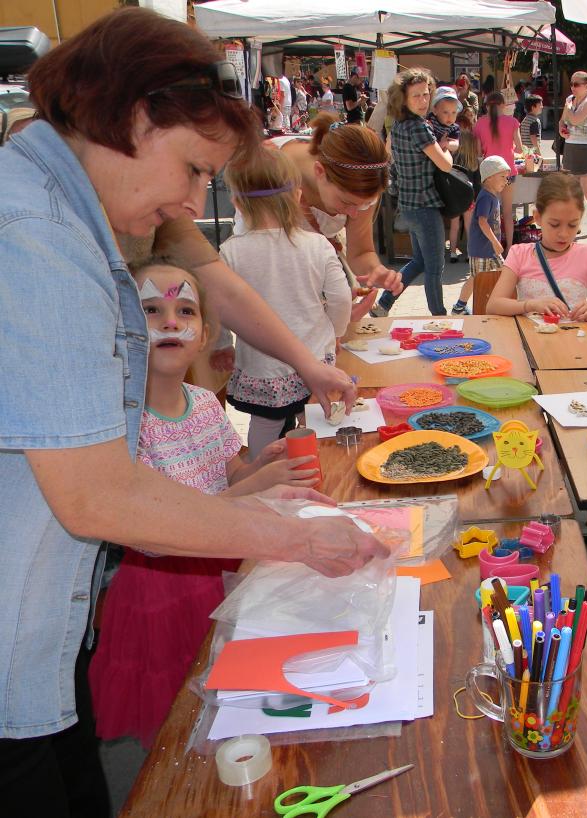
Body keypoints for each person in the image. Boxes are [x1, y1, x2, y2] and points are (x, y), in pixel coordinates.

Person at [0, 9, 387, 814]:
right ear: (134, 118)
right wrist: (299, 539)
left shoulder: (67, 200)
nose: (195, 196)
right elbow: (101, 495)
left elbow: (225, 288)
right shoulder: (35, 236)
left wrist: (310, 364)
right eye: (194, 168)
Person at [88, 259, 322, 748]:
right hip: (162, 595)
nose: (170, 321)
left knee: (228, 689)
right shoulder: (124, 427)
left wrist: (262, 466)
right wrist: (261, 486)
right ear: (120, 325)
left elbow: (230, 475)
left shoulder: (205, 403)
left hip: (221, 569)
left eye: (184, 310)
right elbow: (163, 526)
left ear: (205, 333)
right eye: (151, 309)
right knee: (178, 711)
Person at [221, 146, 352, 453]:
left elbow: (216, 308)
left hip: (261, 365)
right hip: (314, 356)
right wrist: (337, 332)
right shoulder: (317, 245)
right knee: (315, 418)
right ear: (297, 196)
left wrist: (220, 345)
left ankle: (260, 474)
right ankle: (314, 466)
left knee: (265, 424)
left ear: (237, 203)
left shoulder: (230, 252)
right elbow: (341, 298)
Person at [248, 113, 400, 315]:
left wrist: (375, 270)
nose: (354, 212)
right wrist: (328, 313)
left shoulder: (360, 180)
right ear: (320, 171)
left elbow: (360, 252)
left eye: (363, 205)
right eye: (347, 202)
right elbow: (264, 270)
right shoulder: (267, 174)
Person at [487, 172, 587, 320]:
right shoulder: (520, 254)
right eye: (555, 224)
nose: (564, 234)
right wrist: (530, 305)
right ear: (537, 217)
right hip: (532, 343)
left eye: (573, 225)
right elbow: (494, 305)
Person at [374, 68, 453, 316]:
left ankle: (384, 304)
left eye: (426, 94)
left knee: (420, 261)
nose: (423, 100)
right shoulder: (419, 127)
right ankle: (439, 315)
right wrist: (446, 149)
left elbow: (390, 159)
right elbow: (445, 164)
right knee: (435, 267)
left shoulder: (398, 125)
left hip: (407, 206)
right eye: (416, 95)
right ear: (404, 99)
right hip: (425, 206)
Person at [451, 155, 510, 316]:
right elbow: (482, 222)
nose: (506, 181)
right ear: (489, 177)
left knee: (503, 273)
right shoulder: (485, 197)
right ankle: (459, 307)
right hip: (482, 250)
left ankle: (498, 302)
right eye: (503, 177)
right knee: (475, 279)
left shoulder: (491, 196)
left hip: (489, 249)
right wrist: (495, 242)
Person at [473, 91, 524, 250]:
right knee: (508, 212)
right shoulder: (513, 122)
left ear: (487, 106)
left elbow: (478, 151)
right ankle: (509, 247)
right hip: (508, 171)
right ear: (503, 105)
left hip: (489, 172)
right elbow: (520, 148)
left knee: (488, 212)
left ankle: (491, 246)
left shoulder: (480, 123)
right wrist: (510, 147)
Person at [558, 71, 587, 236]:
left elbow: (576, 119)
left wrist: (568, 107)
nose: (573, 87)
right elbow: (563, 120)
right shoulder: (570, 101)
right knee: (571, 190)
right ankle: (575, 223)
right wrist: (562, 129)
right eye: (571, 84)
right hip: (571, 146)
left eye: (577, 84)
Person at [448, 110, 481, 265]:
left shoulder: (452, 160)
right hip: (469, 197)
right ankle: (469, 252)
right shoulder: (473, 163)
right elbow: (477, 183)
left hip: (454, 196)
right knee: (469, 226)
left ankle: (453, 252)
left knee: (454, 226)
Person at [426, 85, 462, 155]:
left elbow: (456, 144)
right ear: (435, 111)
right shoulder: (431, 118)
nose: (450, 116)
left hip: (443, 155)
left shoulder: (453, 128)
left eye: (454, 112)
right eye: (445, 112)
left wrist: (446, 144)